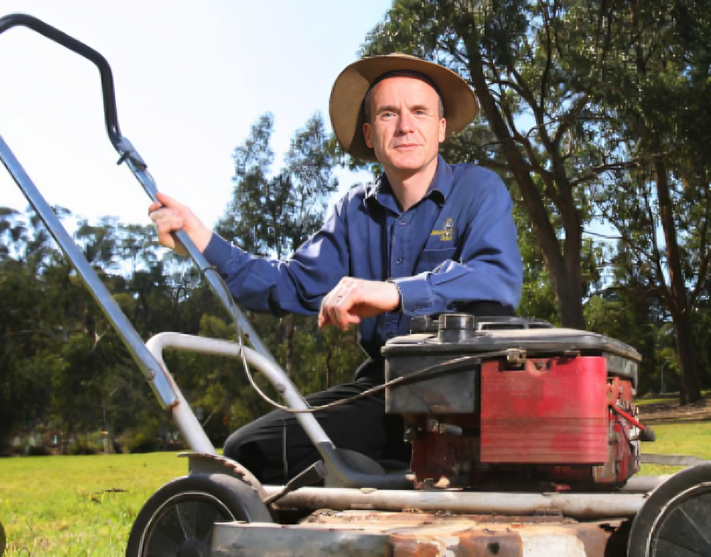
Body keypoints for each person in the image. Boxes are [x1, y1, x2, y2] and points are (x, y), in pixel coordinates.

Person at [148, 54, 523, 484]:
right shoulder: (352, 211)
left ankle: (402, 480)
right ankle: (377, 488)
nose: (405, 125)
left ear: (440, 127)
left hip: (469, 390)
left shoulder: (479, 189)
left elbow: (497, 277)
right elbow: (290, 283)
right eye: (388, 113)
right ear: (370, 132)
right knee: (248, 450)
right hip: (384, 392)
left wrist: (396, 292)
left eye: (420, 111)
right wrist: (204, 242)